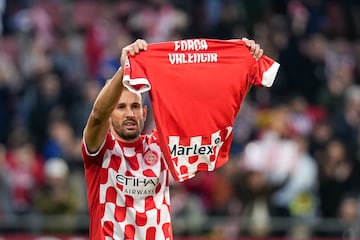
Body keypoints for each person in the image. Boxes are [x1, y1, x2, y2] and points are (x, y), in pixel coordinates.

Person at [81, 38, 265, 240]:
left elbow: (219, 116)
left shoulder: (160, 145)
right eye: (120, 107)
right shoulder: (101, 150)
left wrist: (242, 62)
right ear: (110, 114)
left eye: (134, 107)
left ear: (144, 113)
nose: (129, 114)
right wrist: (125, 69)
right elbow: (98, 115)